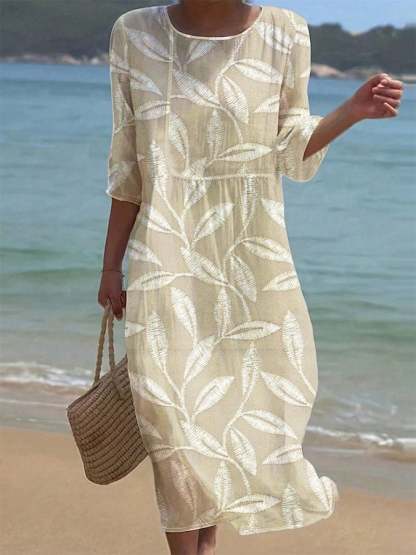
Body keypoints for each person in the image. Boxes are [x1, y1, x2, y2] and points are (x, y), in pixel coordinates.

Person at [97, 2, 403, 554]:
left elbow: (289, 148)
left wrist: (351, 112)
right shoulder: (135, 33)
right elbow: (129, 162)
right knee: (170, 420)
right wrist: (111, 264)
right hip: (164, 257)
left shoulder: (285, 33)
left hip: (251, 262)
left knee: (223, 416)